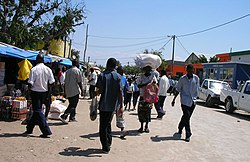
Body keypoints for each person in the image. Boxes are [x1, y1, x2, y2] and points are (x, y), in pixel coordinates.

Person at [96, 58, 123, 153]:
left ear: (107, 64)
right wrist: (121, 106)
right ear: (115, 66)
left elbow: (99, 90)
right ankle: (109, 142)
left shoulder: (102, 75)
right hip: (113, 105)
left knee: (103, 126)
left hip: (104, 105)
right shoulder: (118, 77)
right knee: (108, 123)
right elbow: (120, 93)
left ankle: (105, 146)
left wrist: (95, 94)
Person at [25, 53, 55, 138]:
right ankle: (29, 128)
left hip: (35, 92)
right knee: (36, 111)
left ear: (37, 60)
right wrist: (48, 89)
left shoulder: (34, 69)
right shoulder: (48, 69)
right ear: (43, 60)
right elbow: (52, 82)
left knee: (38, 110)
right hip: (44, 92)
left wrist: (28, 92)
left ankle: (46, 131)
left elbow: (30, 83)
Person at [171, 64, 200, 142]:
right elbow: (178, 90)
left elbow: (197, 89)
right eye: (189, 70)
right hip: (184, 101)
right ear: (186, 71)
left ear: (193, 70)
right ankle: (188, 134)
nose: (190, 72)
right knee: (187, 116)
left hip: (193, 101)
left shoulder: (196, 78)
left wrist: (197, 98)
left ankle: (180, 128)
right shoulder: (182, 79)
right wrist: (174, 99)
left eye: (192, 70)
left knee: (186, 117)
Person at [136, 66, 157, 133]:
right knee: (141, 111)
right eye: (146, 69)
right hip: (142, 96)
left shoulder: (153, 77)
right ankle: (141, 126)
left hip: (149, 97)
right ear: (144, 70)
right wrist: (146, 84)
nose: (148, 71)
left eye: (149, 69)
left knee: (148, 111)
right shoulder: (141, 77)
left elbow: (155, 84)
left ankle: (146, 126)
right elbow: (138, 85)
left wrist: (152, 83)